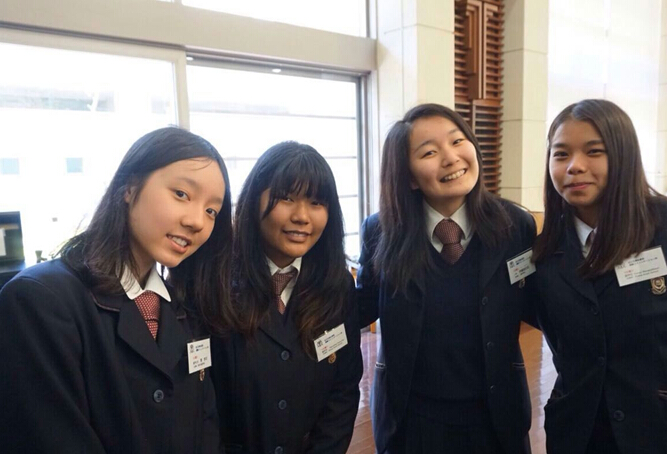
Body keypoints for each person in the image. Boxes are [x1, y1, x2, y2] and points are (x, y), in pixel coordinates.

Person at [0, 127, 234, 453]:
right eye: (182, 194)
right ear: (130, 186)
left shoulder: (185, 311)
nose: (197, 221)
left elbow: (206, 427)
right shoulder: (40, 300)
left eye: (211, 211)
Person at [356, 103, 536, 454]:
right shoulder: (382, 231)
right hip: (412, 420)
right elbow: (359, 308)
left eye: (457, 141)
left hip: (496, 417)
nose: (451, 158)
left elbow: (540, 304)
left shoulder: (515, 226)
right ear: (408, 176)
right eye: (429, 152)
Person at [532, 99, 667, 454]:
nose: (575, 166)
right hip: (578, 433)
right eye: (561, 154)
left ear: (623, 155)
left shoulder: (663, 226)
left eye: (594, 151)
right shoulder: (544, 252)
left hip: (655, 428)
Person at [212, 141, 363, 454]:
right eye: (286, 198)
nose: (302, 216)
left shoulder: (337, 286)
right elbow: (201, 402)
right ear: (254, 200)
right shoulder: (216, 283)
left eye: (316, 202)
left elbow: (344, 389)